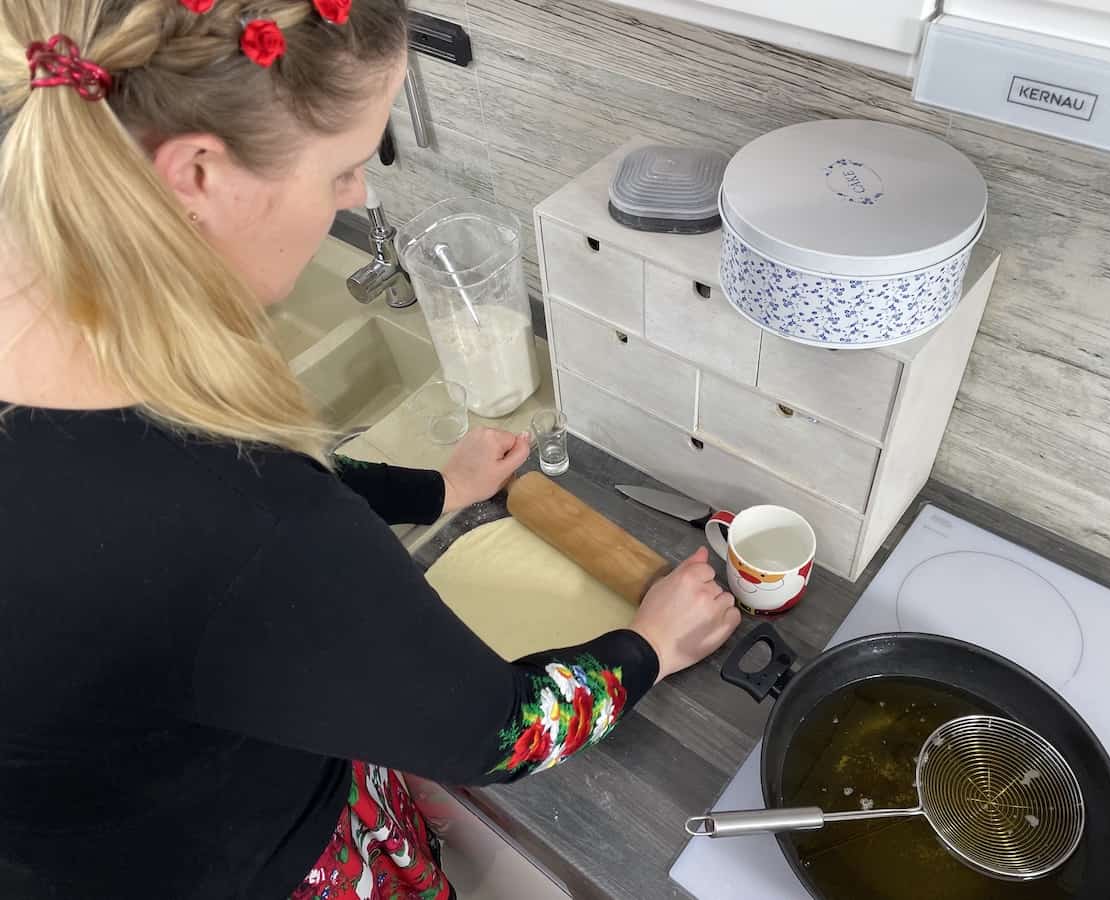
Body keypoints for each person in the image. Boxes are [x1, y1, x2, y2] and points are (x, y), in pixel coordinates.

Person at [0, 2, 741, 898]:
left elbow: (231, 459)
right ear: (197, 172)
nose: (355, 196)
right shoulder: (248, 525)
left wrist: (434, 489)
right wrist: (651, 644)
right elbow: (498, 733)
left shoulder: (50, 301)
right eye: (345, 167)